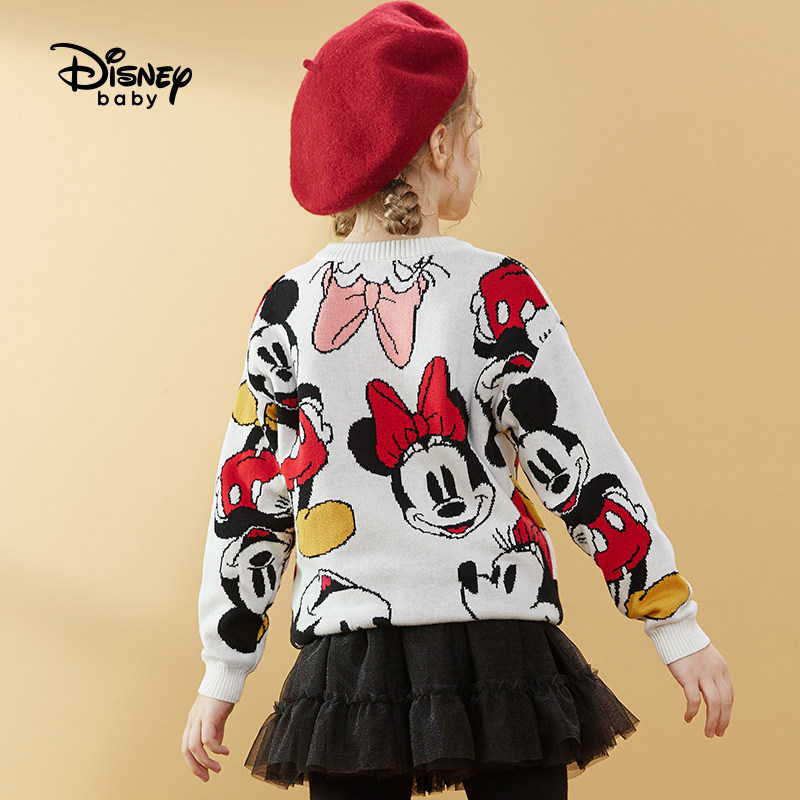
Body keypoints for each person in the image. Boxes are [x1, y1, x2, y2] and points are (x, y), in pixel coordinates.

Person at [181, 3, 733, 798]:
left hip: (349, 663)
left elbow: (249, 498)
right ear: (440, 145)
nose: (477, 154)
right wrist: (673, 624)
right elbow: (581, 464)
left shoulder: (288, 308)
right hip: (501, 644)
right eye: (475, 133)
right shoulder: (497, 288)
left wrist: (224, 668)